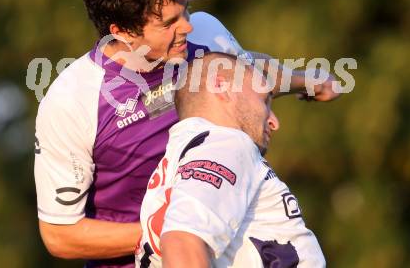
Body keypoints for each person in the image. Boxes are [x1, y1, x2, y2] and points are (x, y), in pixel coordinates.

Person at [34, 0, 337, 268]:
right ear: (120, 31)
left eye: (186, 10)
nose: (188, 28)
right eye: (168, 23)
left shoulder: (206, 33)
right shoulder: (72, 101)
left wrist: (306, 82)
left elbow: (248, 71)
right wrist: (166, 232)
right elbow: (60, 234)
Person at [136, 52, 326, 267]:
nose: (274, 122)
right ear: (222, 87)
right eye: (264, 100)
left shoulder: (177, 160)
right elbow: (183, 242)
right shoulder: (225, 142)